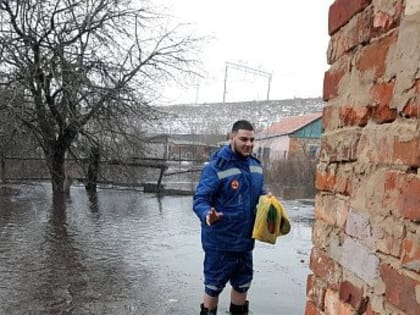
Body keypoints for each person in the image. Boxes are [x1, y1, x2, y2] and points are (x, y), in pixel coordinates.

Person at [193, 120, 266, 315]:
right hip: (220, 242)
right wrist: (207, 214)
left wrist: (270, 203)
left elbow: (260, 194)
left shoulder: (256, 166)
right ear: (231, 137)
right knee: (213, 288)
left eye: (252, 140)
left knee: (242, 286)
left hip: (245, 241)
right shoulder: (216, 166)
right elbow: (200, 199)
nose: (248, 144)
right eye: (243, 139)